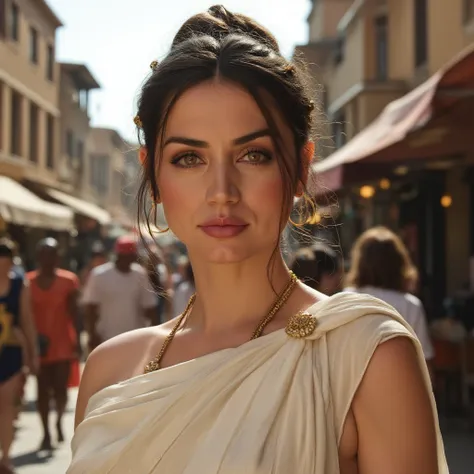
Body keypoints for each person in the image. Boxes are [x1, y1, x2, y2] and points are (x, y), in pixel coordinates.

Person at [68, 6, 448, 473]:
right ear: (153, 172)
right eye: (189, 158)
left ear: (301, 167)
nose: (222, 191)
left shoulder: (367, 354)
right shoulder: (109, 370)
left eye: (254, 154)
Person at [344, 226, 435, 365]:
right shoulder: (410, 305)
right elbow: (424, 358)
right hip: (400, 381)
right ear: (399, 263)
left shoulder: (345, 299)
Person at [28, 238, 79, 451]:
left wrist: (79, 339)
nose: (48, 259)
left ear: (58, 257)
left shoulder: (69, 281)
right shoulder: (27, 282)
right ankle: (46, 432)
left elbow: (75, 313)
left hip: (62, 343)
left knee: (60, 389)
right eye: (44, 254)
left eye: (52, 254)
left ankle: (58, 421)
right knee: (41, 390)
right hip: (38, 345)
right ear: (39, 257)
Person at [82, 235, 158, 352]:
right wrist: (92, 335)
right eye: (125, 256)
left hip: (135, 338)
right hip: (107, 339)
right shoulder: (99, 275)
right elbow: (90, 308)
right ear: (118, 255)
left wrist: (153, 336)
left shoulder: (140, 275)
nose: (128, 260)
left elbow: (150, 307)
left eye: (130, 256)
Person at [0, 239, 38, 473]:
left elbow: (27, 321)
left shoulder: (18, 285)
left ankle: (6, 457)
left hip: (11, 352)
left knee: (6, 405)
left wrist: (33, 354)